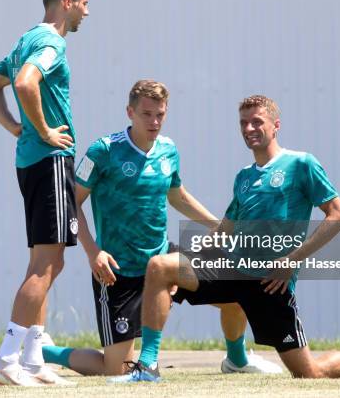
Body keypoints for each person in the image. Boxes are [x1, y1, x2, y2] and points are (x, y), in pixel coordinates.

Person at [111, 95, 340, 382]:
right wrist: (190, 261)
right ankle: (149, 367)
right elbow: (227, 229)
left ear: (275, 126)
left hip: (271, 282)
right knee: (160, 266)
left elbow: (338, 216)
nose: (249, 129)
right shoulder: (244, 176)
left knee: (310, 374)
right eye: (244, 123)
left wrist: (292, 261)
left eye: (257, 122)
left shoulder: (301, 164)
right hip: (233, 271)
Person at [41, 81, 280, 376]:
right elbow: (73, 203)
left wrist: (219, 227)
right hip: (119, 270)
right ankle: (41, 351)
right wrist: (93, 253)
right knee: (116, 369)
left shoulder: (168, 150)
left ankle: (237, 359)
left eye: (160, 114)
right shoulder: (104, 151)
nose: (154, 122)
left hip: (163, 260)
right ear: (130, 112)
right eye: (146, 114)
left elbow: (177, 195)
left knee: (237, 293)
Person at [0, 0, 92, 387]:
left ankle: (32, 359)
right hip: (49, 160)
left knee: (49, 262)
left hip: (32, 162)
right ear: (66, 1)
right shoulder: (50, 42)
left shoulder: (26, 39)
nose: (86, 11)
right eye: (83, 3)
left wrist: (14, 127)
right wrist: (43, 131)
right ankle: (6, 359)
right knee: (46, 264)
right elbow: (25, 83)